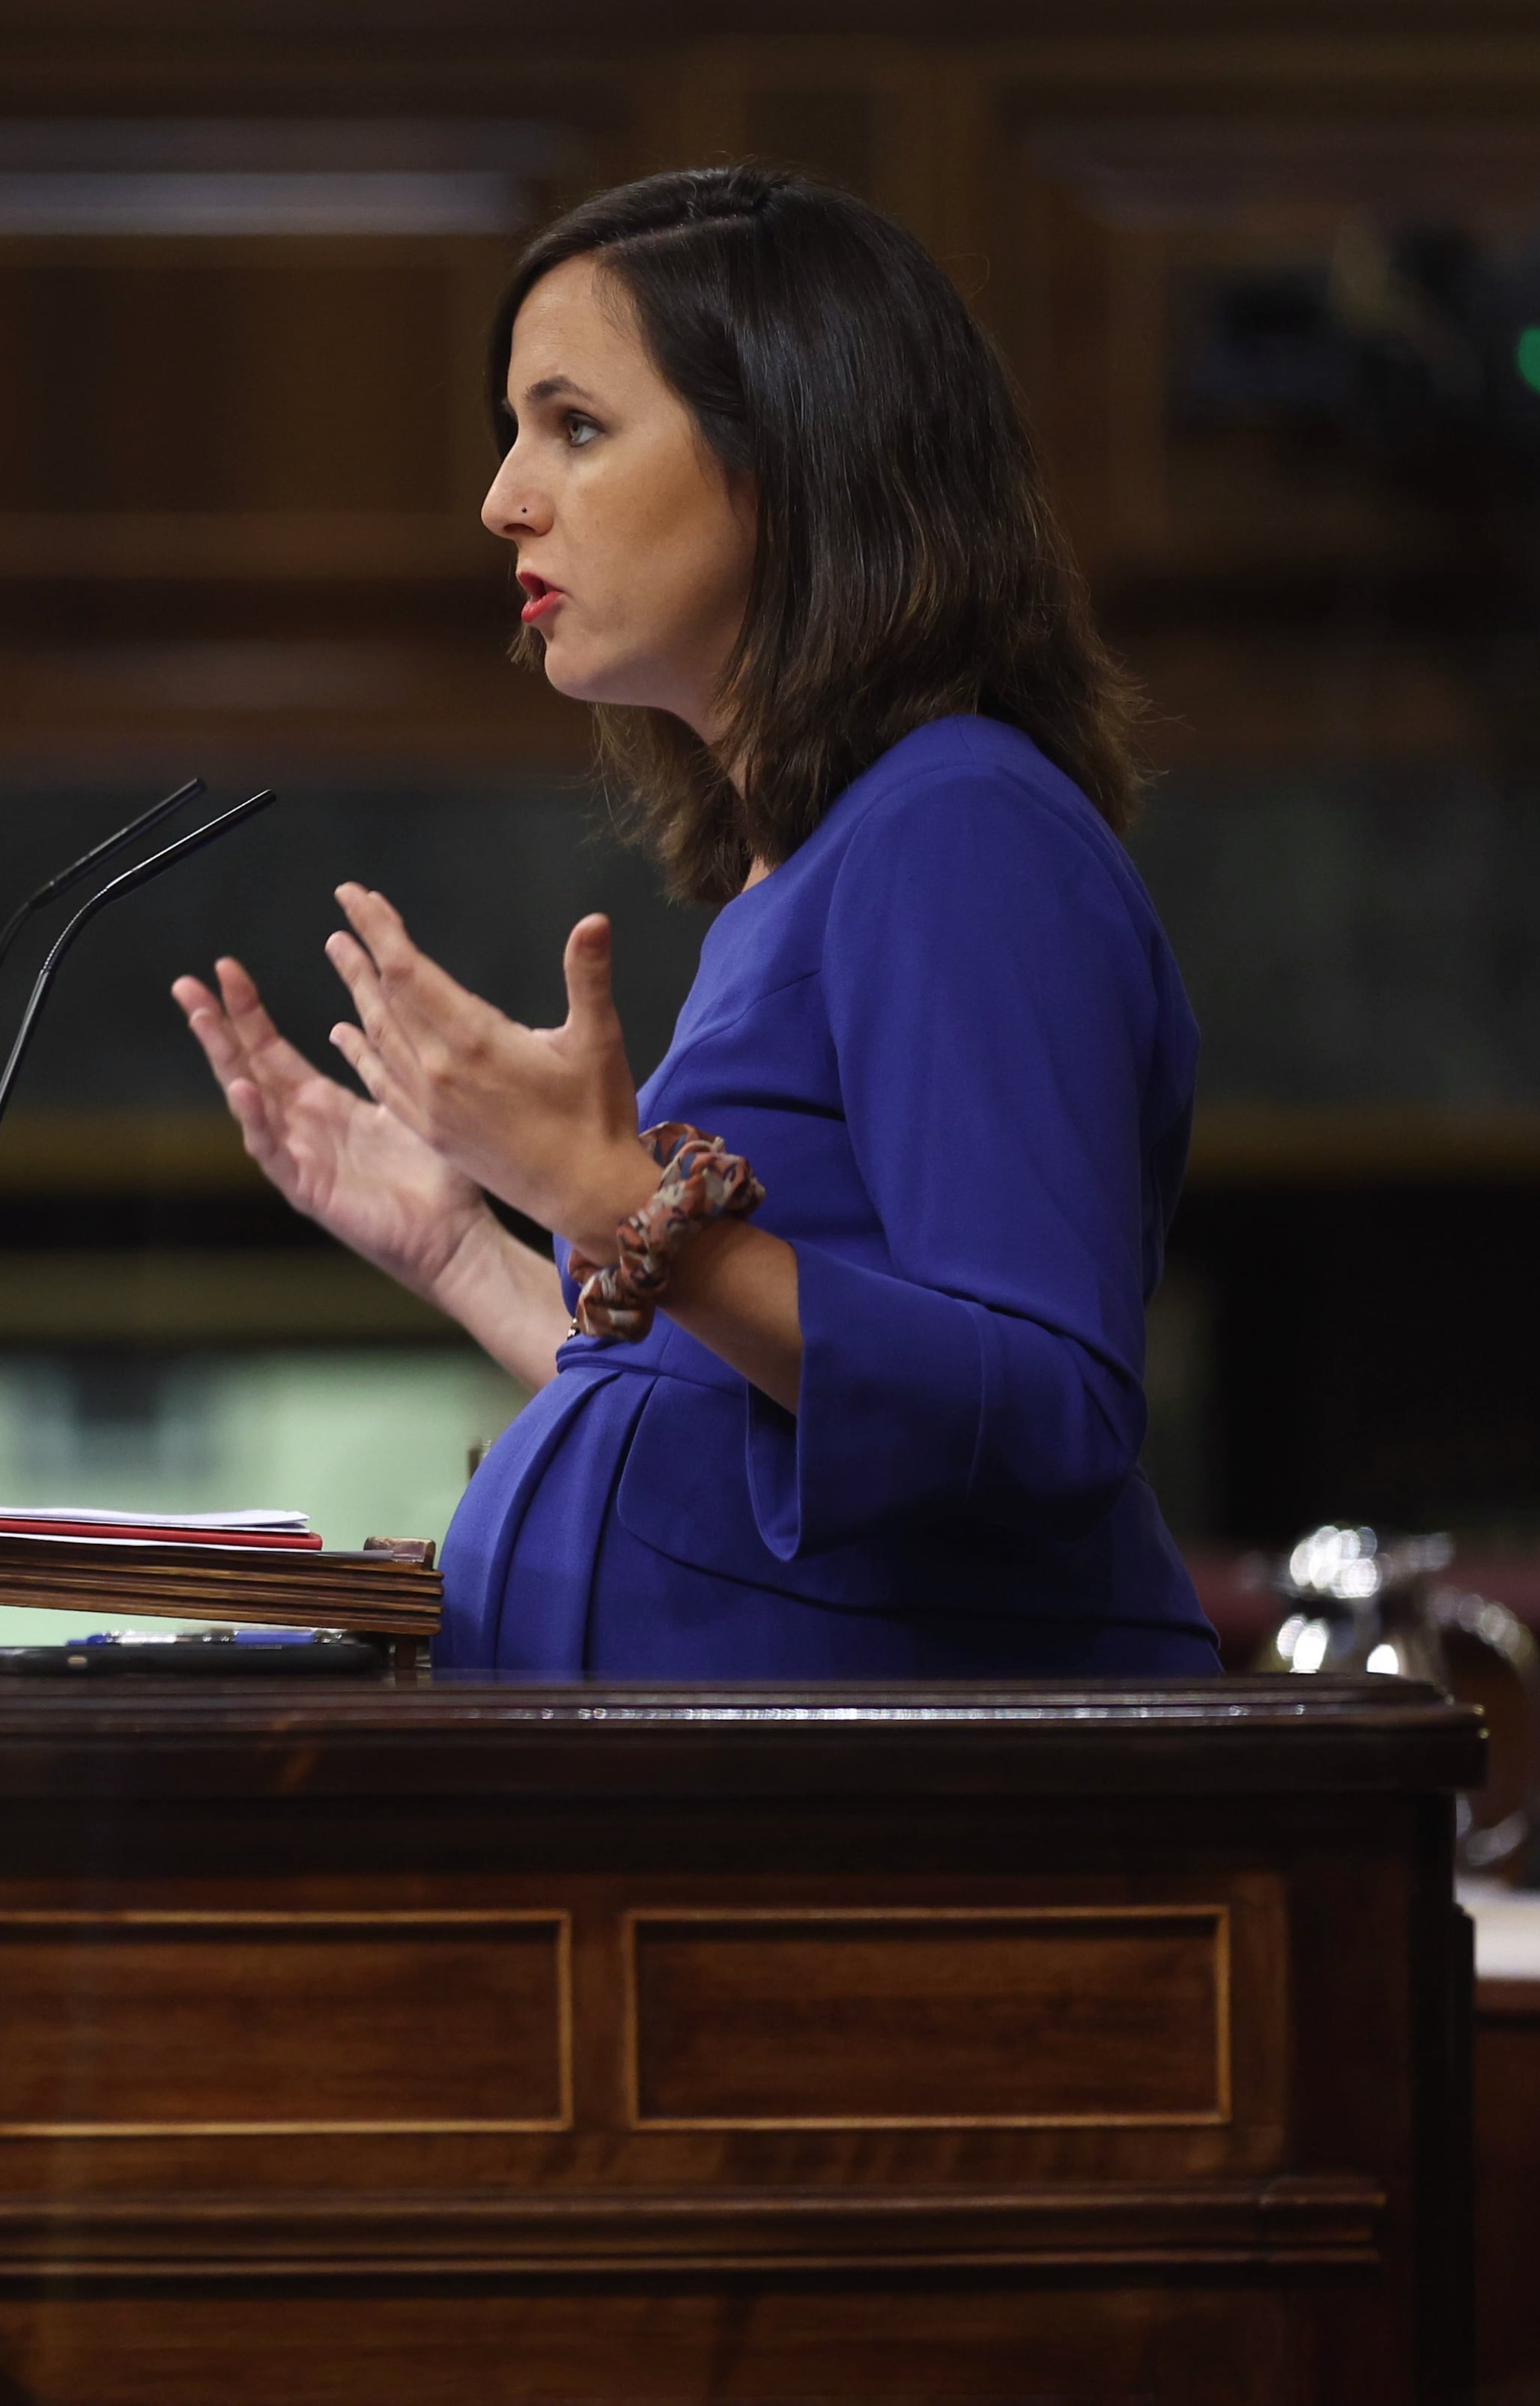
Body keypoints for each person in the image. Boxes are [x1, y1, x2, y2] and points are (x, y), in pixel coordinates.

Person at [173, 166, 1219, 1678]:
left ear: (788, 459)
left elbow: (1048, 1408)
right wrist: (462, 1244)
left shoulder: (963, 828)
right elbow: (730, 1427)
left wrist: (614, 1205)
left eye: (573, 425)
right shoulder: (807, 868)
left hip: (916, 1850)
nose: (499, 498)